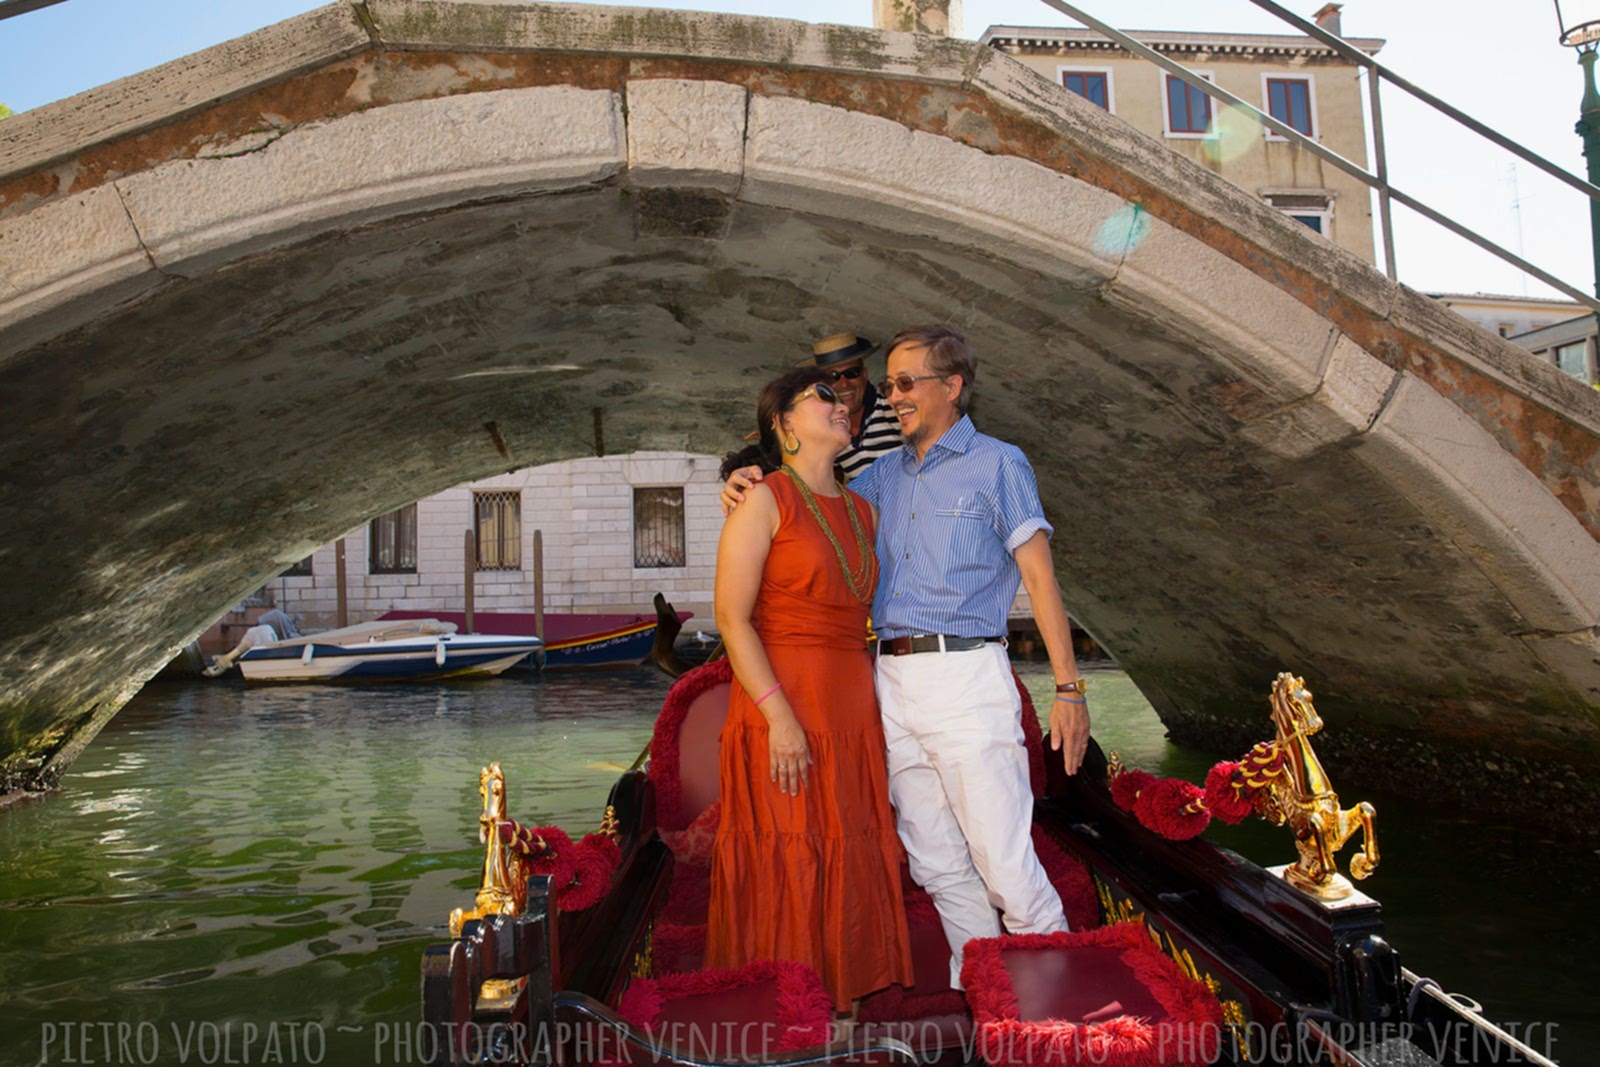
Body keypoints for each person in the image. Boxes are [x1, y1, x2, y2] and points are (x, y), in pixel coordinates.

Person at [722, 325, 1091, 987]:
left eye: (905, 382)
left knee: (1003, 862)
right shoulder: (879, 481)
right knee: (937, 861)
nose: (889, 396)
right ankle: (988, 995)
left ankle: (1053, 1023)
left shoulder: (999, 463)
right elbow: (808, 510)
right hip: (888, 682)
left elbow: (1040, 579)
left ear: (952, 386)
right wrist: (744, 476)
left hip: (967, 673)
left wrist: (1069, 689)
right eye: (887, 384)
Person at [705, 366, 914, 1014]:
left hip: (852, 707)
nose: (840, 403)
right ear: (783, 423)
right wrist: (780, 720)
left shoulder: (864, 508)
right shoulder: (764, 498)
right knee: (792, 854)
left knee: (847, 851)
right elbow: (730, 618)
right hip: (783, 705)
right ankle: (786, 1011)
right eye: (821, 396)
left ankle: (843, 1005)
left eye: (842, 395)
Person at [804, 332, 902, 480]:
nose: (844, 383)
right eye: (833, 377)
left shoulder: (893, 407)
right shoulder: (826, 427)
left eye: (852, 373)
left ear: (864, 375)